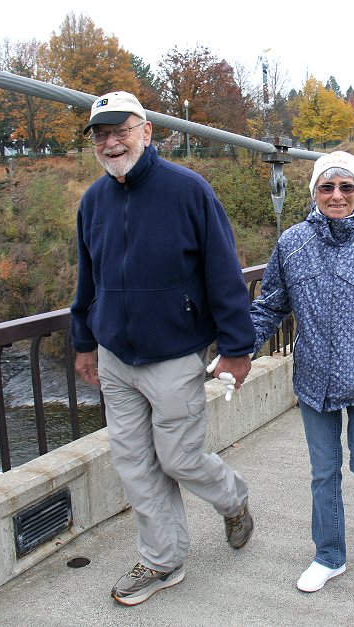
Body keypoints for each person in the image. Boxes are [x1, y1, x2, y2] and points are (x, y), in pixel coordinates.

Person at [70, 92, 256, 606]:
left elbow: (223, 273)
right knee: (134, 463)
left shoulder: (188, 191)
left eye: (121, 130)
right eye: (100, 135)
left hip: (174, 354)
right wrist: (84, 340)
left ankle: (233, 498)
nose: (111, 142)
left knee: (179, 457)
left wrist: (237, 348)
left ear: (147, 131)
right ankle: (162, 560)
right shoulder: (93, 202)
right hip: (114, 357)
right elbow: (89, 279)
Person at [250, 151, 354, 593]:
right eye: (327, 187)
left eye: (346, 187)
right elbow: (269, 306)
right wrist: (237, 351)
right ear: (314, 193)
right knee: (324, 472)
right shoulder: (292, 243)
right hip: (314, 379)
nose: (337, 195)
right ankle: (329, 555)